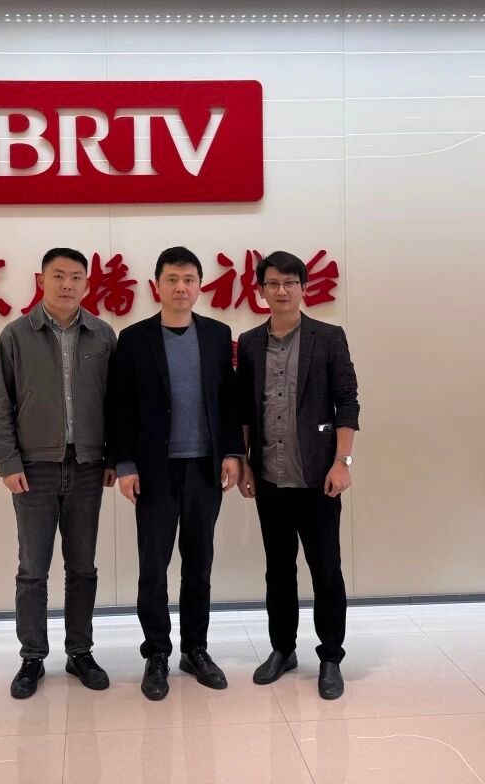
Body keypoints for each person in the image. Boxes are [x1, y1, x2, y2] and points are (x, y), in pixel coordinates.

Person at [106, 246, 245, 701]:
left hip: (205, 468)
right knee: (154, 568)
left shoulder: (218, 335)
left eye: (188, 279)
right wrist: (125, 465)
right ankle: (157, 653)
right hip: (154, 471)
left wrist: (232, 452)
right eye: (172, 279)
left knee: (199, 566)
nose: (180, 287)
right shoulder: (134, 339)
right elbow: (120, 407)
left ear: (199, 286)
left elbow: (228, 401)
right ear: (157, 286)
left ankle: (195, 649)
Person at [0, 247, 118, 699]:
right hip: (33, 470)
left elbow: (116, 404)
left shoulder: (102, 335)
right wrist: (7, 463)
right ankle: (32, 657)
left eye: (76, 276)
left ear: (87, 283)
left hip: (87, 468)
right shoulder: (16, 335)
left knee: (82, 567)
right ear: (41, 280)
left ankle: (80, 651)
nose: (67, 284)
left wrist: (112, 458)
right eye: (58, 275)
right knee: (32, 570)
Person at [235, 250, 359, 700]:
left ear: (304, 288)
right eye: (273, 283)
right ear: (261, 290)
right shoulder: (250, 342)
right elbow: (244, 409)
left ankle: (330, 657)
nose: (282, 290)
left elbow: (347, 401)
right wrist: (245, 462)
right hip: (270, 477)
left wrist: (342, 462)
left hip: (318, 477)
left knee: (326, 570)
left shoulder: (328, 337)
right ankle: (283, 650)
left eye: (290, 282)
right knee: (278, 571)